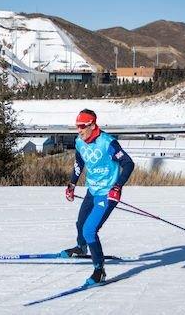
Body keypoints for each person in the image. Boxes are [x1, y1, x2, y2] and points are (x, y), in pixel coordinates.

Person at [61, 109, 135, 286]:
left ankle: (99, 271)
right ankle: (81, 248)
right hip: (92, 190)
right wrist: (72, 184)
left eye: (82, 127)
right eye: (77, 127)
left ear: (93, 125)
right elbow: (79, 163)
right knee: (80, 224)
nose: (79, 130)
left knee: (89, 230)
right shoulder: (79, 142)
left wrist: (117, 186)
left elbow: (128, 163)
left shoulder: (108, 143)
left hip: (108, 192)